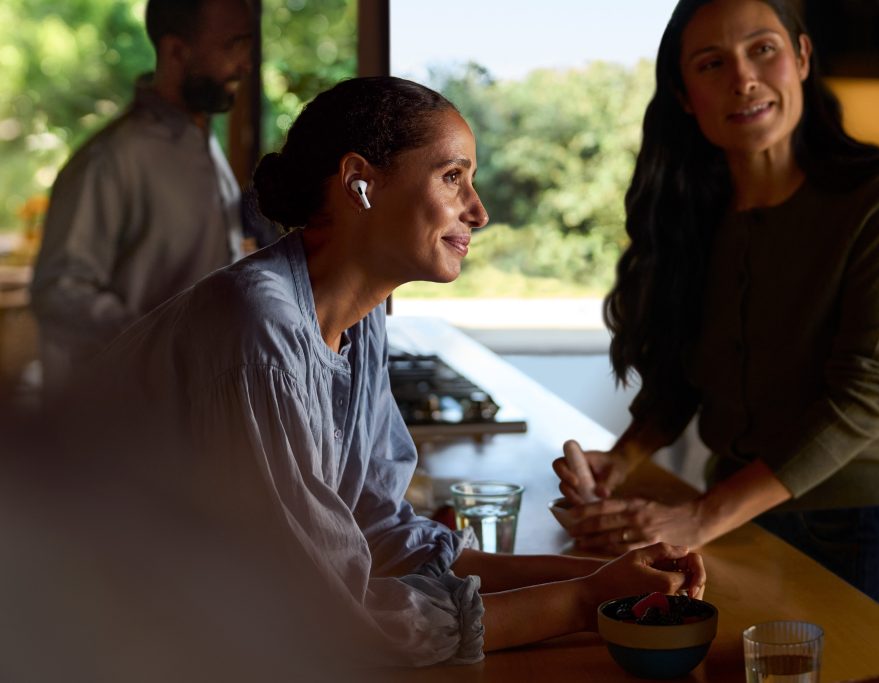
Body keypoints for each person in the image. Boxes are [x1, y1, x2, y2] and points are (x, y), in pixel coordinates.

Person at [67, 76, 706, 669]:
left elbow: (380, 532)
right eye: (453, 176)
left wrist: (605, 576)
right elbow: (332, 619)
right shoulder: (257, 328)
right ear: (359, 183)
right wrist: (580, 604)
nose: (479, 211)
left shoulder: (359, 319)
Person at [553, 0, 879, 642]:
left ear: (801, 58)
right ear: (686, 97)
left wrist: (701, 518)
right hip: (740, 529)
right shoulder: (694, 213)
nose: (742, 79)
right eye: (712, 64)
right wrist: (622, 459)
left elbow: (865, 397)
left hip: (868, 530)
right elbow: (687, 371)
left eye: (762, 49)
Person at [30, 0, 253, 394]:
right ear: (176, 51)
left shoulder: (204, 142)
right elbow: (58, 292)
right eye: (232, 46)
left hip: (199, 412)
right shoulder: (109, 160)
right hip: (128, 425)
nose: (245, 65)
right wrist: (163, 344)